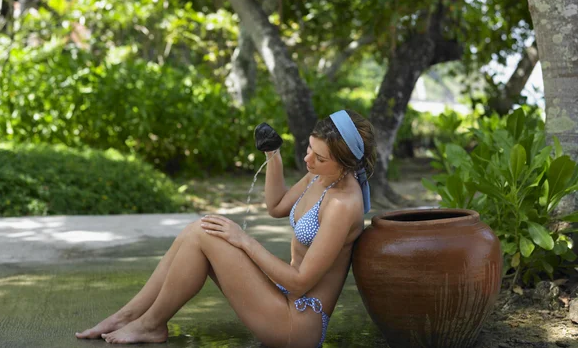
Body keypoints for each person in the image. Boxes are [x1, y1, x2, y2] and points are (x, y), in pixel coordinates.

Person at [75, 109, 377, 346]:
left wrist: (244, 240)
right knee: (200, 229)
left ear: (345, 162)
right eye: (310, 149)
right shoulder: (322, 176)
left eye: (319, 157)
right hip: (281, 298)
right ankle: (131, 315)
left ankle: (151, 323)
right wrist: (273, 156)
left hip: (296, 325)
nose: (308, 159)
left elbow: (299, 282)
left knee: (206, 234)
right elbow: (276, 207)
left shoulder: (341, 204)